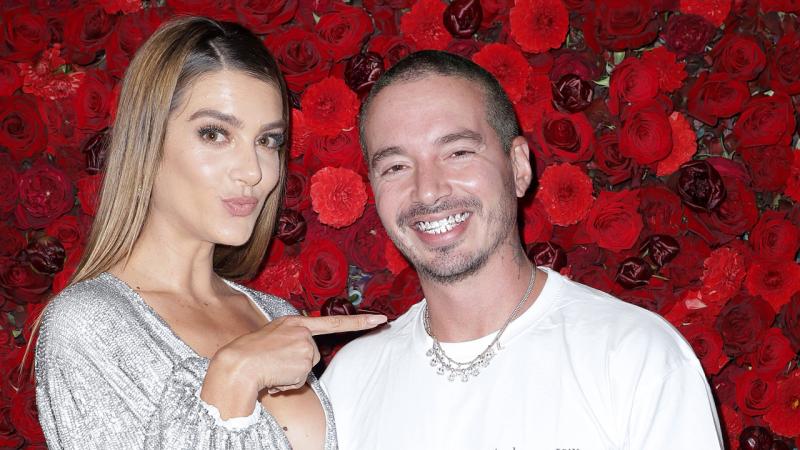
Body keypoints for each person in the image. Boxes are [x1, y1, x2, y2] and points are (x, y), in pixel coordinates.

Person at [321, 50, 723, 450]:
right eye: (395, 167)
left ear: (518, 166)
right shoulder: (350, 381)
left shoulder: (633, 356)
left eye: (458, 153)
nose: (427, 190)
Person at [33, 17, 386, 450]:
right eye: (215, 134)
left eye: (268, 141)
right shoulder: (88, 324)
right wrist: (233, 379)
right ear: (147, 142)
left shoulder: (273, 314)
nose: (253, 171)